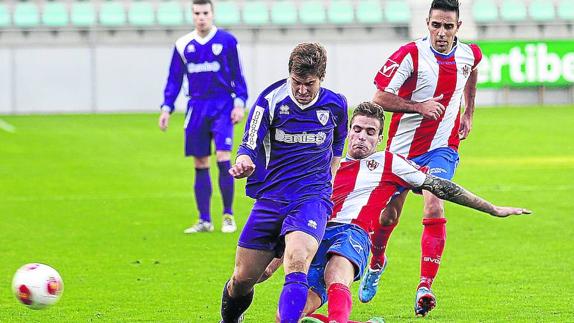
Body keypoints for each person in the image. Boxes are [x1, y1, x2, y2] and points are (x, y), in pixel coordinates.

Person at [296, 102, 530, 323]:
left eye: (370, 132)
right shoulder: (328, 162)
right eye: (357, 129)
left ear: (379, 139)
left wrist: (492, 209)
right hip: (315, 237)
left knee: (337, 271)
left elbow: (442, 187)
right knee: (286, 315)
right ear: (349, 132)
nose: (362, 137)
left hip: (351, 236)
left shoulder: (388, 162)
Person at [359, 0, 483, 316]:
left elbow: (472, 72)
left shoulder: (469, 53)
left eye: (448, 26)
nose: (441, 33)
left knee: (435, 200)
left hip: (442, 148)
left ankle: (425, 286)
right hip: (402, 150)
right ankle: (377, 261)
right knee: (387, 217)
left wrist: (468, 110)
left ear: (458, 27)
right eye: (436, 25)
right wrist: (419, 106)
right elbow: (378, 97)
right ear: (427, 23)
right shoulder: (410, 55)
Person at [220, 43, 348, 323]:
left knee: (298, 259)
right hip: (272, 199)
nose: (302, 90)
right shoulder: (270, 100)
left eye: (309, 84)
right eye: (297, 83)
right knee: (243, 279)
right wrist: (244, 161)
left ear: (321, 77)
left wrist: (330, 180)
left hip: (311, 199)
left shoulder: (336, 105)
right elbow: (248, 144)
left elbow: (338, 145)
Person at [158, 0, 248, 234]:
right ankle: (204, 220)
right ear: (192, 15)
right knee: (200, 162)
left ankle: (228, 215)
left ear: (212, 14)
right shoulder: (183, 45)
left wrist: (239, 103)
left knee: (222, 156)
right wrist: (167, 108)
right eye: (197, 13)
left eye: (205, 13)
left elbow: (238, 76)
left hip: (222, 105)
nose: (201, 17)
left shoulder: (227, 42)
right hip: (196, 106)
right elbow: (174, 79)